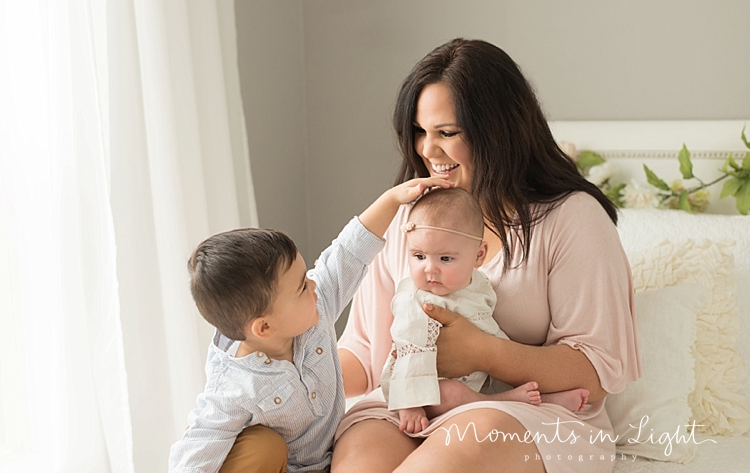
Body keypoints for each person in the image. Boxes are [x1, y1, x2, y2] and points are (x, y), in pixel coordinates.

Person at [332, 38, 640, 473]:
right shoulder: (409, 217)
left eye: (446, 133)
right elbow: (365, 352)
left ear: (498, 130)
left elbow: (595, 371)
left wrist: (481, 351)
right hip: (409, 402)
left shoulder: (572, 219)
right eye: (420, 131)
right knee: (360, 460)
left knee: (461, 445)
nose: (426, 150)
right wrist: (285, 372)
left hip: (533, 414)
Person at [167, 176, 452, 473]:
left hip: (325, 461)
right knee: (260, 445)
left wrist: (391, 199)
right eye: (302, 286)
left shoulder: (314, 310)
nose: (314, 285)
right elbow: (197, 449)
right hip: (276, 465)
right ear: (264, 328)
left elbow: (348, 253)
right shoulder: (233, 387)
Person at [381, 187, 589, 434]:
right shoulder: (414, 300)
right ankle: (506, 401)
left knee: (508, 364)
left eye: (445, 259)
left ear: (478, 255)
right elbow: (410, 348)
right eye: (419, 256)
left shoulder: (477, 284)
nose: (429, 269)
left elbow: (488, 329)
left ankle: (543, 398)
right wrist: (411, 406)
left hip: (478, 371)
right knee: (451, 393)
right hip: (426, 385)